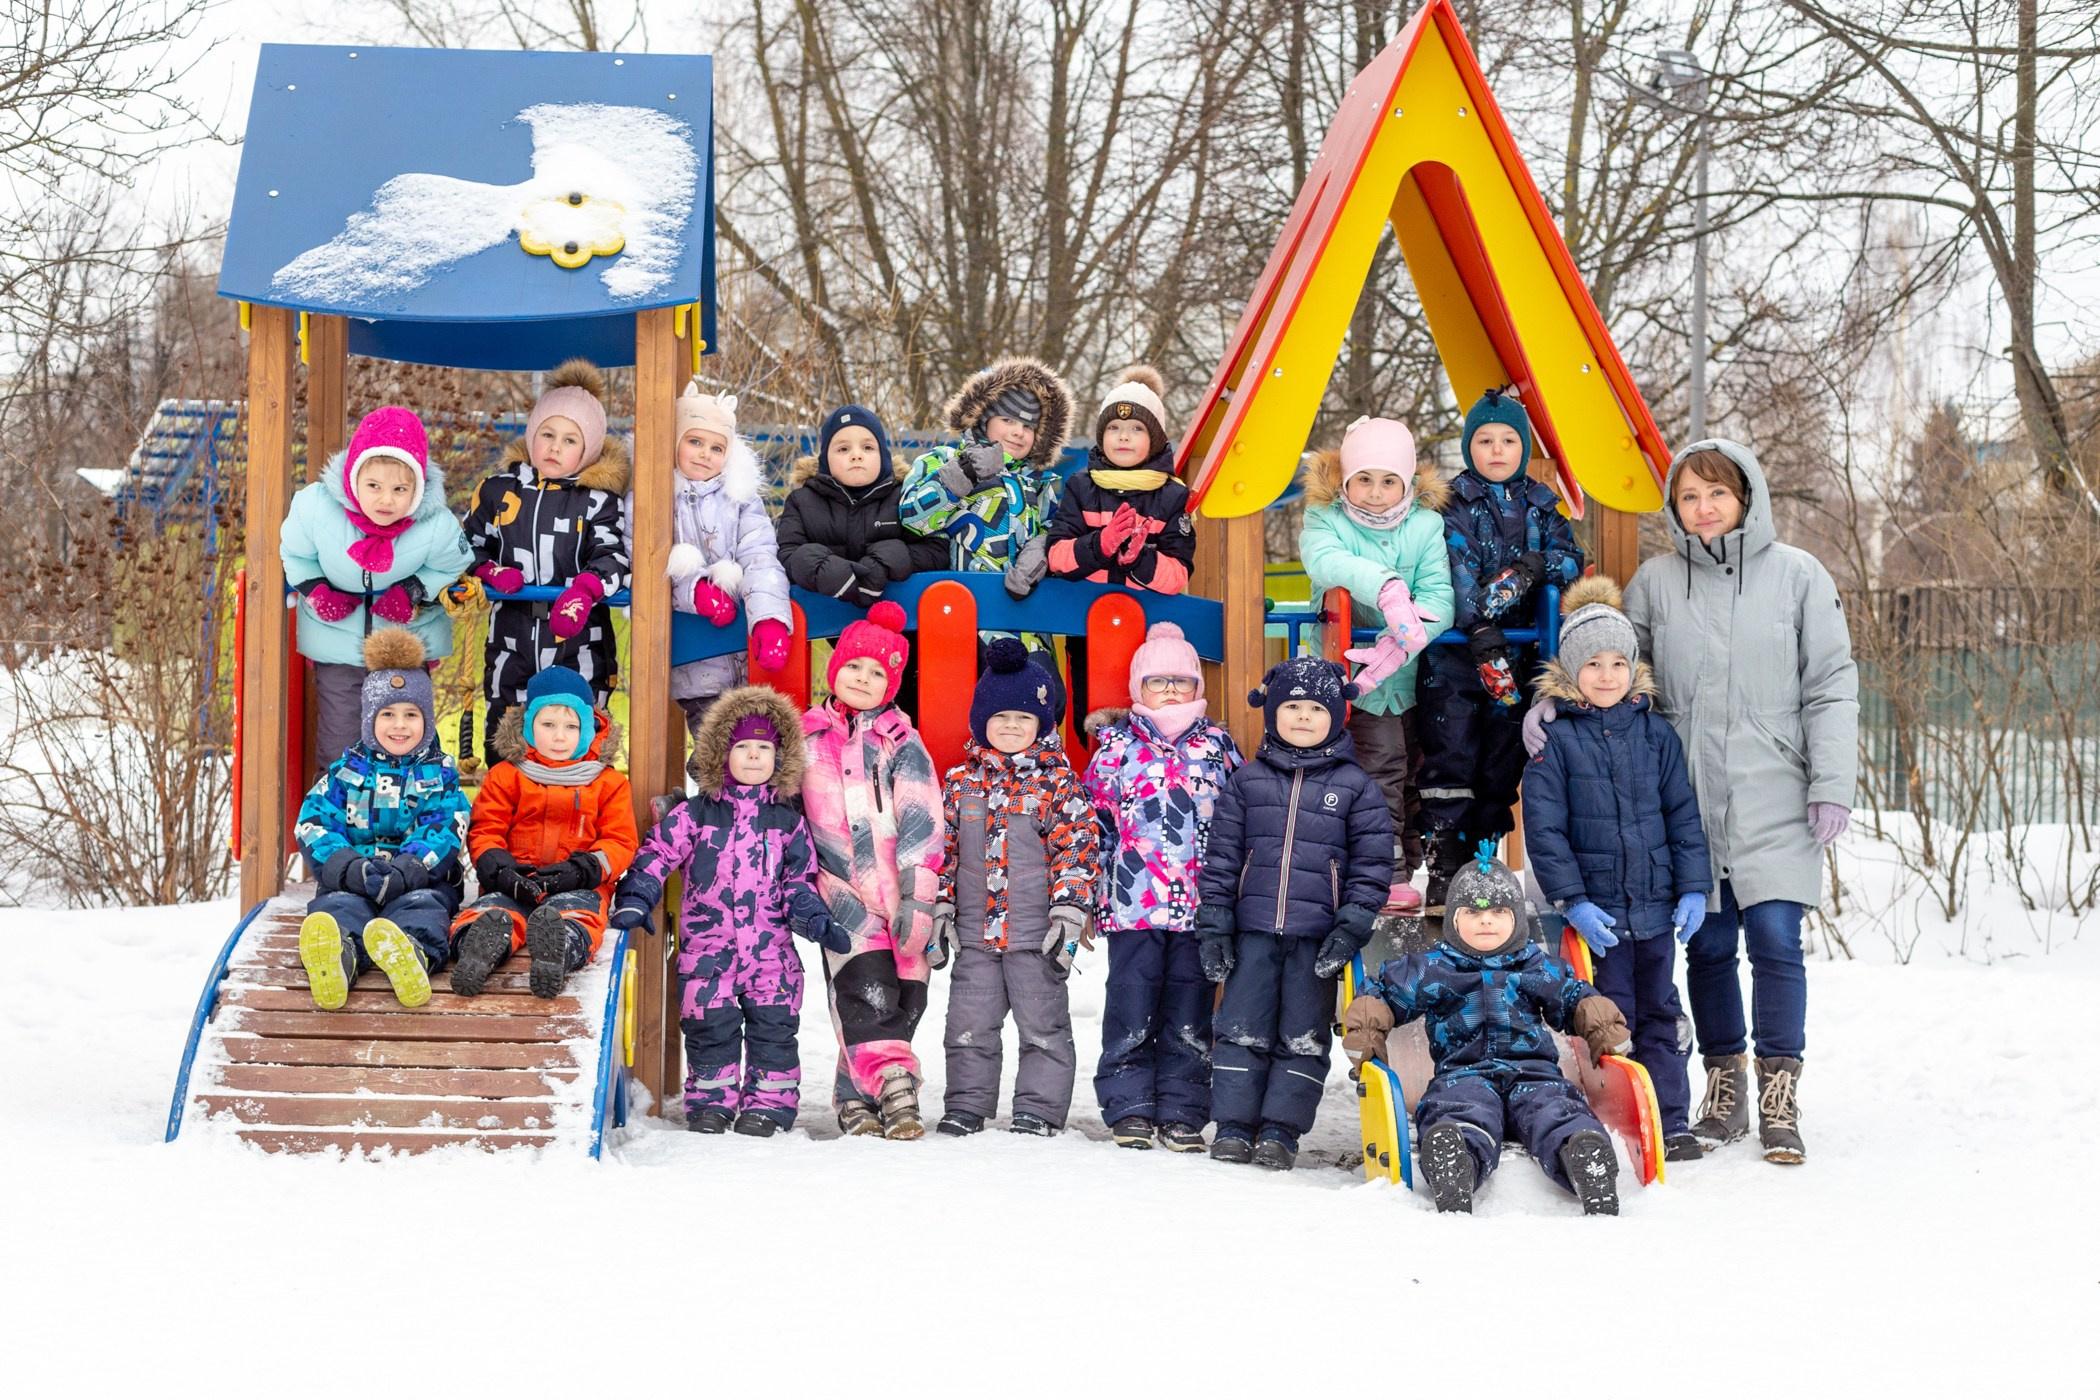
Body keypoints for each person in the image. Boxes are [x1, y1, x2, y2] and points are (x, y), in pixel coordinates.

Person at [1528, 440, 1858, 1164]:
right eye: (1689, 497)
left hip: (1777, 790)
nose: (1704, 509)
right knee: (1708, 948)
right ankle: (1724, 1087)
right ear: (1675, 509)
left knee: (1774, 939)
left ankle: (1779, 1096)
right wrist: (1552, 706)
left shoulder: (1799, 577)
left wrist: (1833, 782)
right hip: (1682, 799)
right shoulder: (1654, 582)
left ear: (1747, 498)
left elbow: (1831, 683)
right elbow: (1610, 669)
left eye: (1718, 494)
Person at [1521, 576, 1712, 1161]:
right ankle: (1609, 1116)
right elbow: (1545, 831)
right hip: (1598, 913)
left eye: (1618, 663)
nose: (1607, 675)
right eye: (1593, 664)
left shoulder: (1656, 735)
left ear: (1634, 668)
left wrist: (1694, 887)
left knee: (1660, 1012)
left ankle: (1671, 1120)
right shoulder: (1555, 741)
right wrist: (1572, 899)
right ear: (1572, 672)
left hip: (1655, 908)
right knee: (1607, 1017)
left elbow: (1682, 813)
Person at [1341, 847, 1633, 1215]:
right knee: (1458, 1111)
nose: (1486, 921)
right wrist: (1367, 1029)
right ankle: (1456, 1163)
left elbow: (1574, 996)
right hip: (1464, 1074)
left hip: (1534, 1073)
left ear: (1516, 921)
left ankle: (1582, 1157)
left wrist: (1602, 1026)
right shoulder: (1435, 968)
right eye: (1473, 912)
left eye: (1499, 912)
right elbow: (1383, 992)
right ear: (1453, 920)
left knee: (1556, 1109)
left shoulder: (1534, 966)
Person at [611, 686, 841, 1136]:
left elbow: (799, 881)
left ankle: (769, 1105)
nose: (753, 757)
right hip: (707, 950)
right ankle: (712, 1102)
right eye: (742, 747)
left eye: (764, 748)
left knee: (773, 1030)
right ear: (720, 754)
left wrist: (813, 917)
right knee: (709, 1026)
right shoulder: (695, 815)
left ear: (780, 758)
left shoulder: (788, 823)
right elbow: (657, 855)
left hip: (771, 954)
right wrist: (637, 898)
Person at [1195, 655, 1392, 1170]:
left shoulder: (1356, 788)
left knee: (1302, 1036)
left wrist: (1352, 924)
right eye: (1292, 706)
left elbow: (1372, 865)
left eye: (1315, 709)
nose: (1303, 717)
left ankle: (1281, 1131)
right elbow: (1221, 856)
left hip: (1316, 938)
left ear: (1336, 716)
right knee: (1240, 1028)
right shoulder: (1248, 782)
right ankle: (1235, 1127)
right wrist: (1215, 918)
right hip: (1252, 932)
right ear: (1273, 713)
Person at [1415, 388, 1582, 906]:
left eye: (1508, 440)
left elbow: (1571, 558)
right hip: (1458, 658)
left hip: (1519, 657)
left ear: (1523, 447)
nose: (1496, 450)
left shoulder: (1540, 504)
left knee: (1500, 762)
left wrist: (1535, 568)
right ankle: (1446, 866)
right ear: (1469, 448)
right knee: (1452, 756)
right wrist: (1479, 622)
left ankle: (1484, 864)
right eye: (1484, 440)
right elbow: (1450, 569)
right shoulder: (1453, 502)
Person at [1081, 622, 1243, 1151]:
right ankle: (1128, 1104)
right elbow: (1095, 825)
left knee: (1190, 1009)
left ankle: (1182, 1108)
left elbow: (1241, 821)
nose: (1171, 689)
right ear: (1137, 688)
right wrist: (1088, 896)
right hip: (1133, 903)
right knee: (1131, 1002)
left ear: (1197, 687)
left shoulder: (1218, 747)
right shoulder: (1116, 747)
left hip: (1199, 907)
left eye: (1181, 680)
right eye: (1158, 680)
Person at [933, 642, 1100, 1137]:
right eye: (999, 715)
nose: (1010, 726)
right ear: (981, 719)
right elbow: (943, 851)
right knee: (968, 1027)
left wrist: (1069, 915)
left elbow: (1076, 850)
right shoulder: (960, 783)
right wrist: (941, 904)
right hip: (975, 935)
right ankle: (966, 1105)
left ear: (1042, 724)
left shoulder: (1058, 785)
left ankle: (1039, 1111)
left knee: (1044, 1029)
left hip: (1036, 935)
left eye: (1023, 717)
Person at [799, 601, 946, 1139]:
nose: (862, 678)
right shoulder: (807, 738)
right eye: (854, 667)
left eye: (877, 672)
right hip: (842, 896)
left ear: (892, 683)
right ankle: (897, 1089)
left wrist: (920, 893)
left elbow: (923, 816)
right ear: (835, 669)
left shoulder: (902, 744)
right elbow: (778, 806)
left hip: (901, 893)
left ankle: (853, 1096)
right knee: (863, 993)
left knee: (906, 999)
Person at [1298, 414, 1455, 913]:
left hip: (1413, 678)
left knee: (1414, 773)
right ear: (1345, 479)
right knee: (1380, 770)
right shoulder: (1326, 519)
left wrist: (1408, 638)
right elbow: (1326, 561)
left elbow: (1439, 596)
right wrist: (1385, 589)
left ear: (1406, 482)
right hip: (1357, 678)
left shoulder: (1426, 525)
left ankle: (1413, 866)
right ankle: (1385, 874)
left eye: (1389, 481)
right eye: (1362, 478)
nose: (1375, 492)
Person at [461, 359, 630, 769]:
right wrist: (489, 571)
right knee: (507, 721)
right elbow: (467, 546)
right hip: (512, 636)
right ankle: (504, 802)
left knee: (574, 725)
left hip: (578, 638)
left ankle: (581, 803)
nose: (555, 447)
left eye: (570, 440)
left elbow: (613, 557)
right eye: (547, 434)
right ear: (531, 436)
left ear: (587, 449)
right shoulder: (500, 492)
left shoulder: (597, 501)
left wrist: (584, 590)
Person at [280, 406, 472, 760]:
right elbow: (295, 553)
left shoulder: (436, 524)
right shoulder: (316, 508)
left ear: (417, 488)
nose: (386, 499)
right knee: (340, 738)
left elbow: (451, 566)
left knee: (406, 738)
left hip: (405, 649)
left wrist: (413, 591)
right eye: (374, 486)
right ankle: (335, 809)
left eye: (400, 488)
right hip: (337, 646)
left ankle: (411, 805)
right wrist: (316, 589)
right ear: (353, 479)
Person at [293, 629, 471, 1010]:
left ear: (428, 720)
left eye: (411, 714)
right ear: (369, 719)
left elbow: (445, 827)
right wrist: (346, 867)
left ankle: (412, 955)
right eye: (387, 714)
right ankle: (338, 959)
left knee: (424, 910)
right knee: (338, 909)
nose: (399, 726)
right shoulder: (345, 772)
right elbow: (314, 822)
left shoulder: (440, 775)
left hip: (416, 881)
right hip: (353, 880)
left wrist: (408, 869)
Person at [447, 666, 637, 1000]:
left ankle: (558, 949)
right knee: (491, 910)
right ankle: (478, 948)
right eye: (548, 725)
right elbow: (487, 826)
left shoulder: (608, 783)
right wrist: (499, 868)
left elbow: (619, 840)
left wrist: (583, 869)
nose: (560, 736)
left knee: (579, 915)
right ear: (528, 726)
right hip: (515, 878)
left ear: (589, 730)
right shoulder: (506, 775)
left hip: (577, 882)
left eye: (571, 726)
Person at [626, 384, 792, 740]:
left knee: (757, 752)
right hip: (695, 666)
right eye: (695, 442)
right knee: (715, 753)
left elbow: (760, 558)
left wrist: (770, 620)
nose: (705, 454)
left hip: (747, 664)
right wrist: (694, 589)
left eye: (717, 447)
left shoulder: (741, 500)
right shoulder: (650, 497)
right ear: (673, 441)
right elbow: (641, 564)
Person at [899, 356, 1072, 613]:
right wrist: (966, 472)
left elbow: (1055, 533)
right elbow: (912, 519)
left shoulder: (1038, 484)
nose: (1018, 432)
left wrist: (1039, 554)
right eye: (1008, 420)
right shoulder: (941, 460)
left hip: (1022, 620)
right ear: (983, 419)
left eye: (1028, 426)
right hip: (952, 614)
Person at [776, 403, 949, 609]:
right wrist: (819, 566)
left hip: (900, 621)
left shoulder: (905, 497)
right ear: (825, 459)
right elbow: (786, 555)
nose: (856, 455)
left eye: (867, 447)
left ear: (883, 455)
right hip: (825, 621)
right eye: (843, 449)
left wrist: (887, 560)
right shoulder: (802, 501)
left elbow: (937, 550)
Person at [1045, 366, 1195, 594]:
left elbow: (1177, 576)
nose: (1123, 436)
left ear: (1155, 440)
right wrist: (1101, 544)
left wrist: (1139, 558)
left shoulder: (1173, 496)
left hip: (1147, 621)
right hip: (1084, 620)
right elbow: (1056, 556)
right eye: (1113, 427)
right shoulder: (1081, 486)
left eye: (1137, 428)